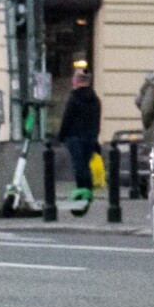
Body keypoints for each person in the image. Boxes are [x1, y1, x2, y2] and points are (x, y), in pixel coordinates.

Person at [59, 66, 104, 217]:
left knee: (79, 167)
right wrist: (94, 137)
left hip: (75, 137)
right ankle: (88, 192)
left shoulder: (74, 98)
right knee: (86, 165)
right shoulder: (95, 99)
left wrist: (61, 135)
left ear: (77, 81)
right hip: (90, 137)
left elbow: (67, 119)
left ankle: (82, 195)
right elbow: (96, 122)